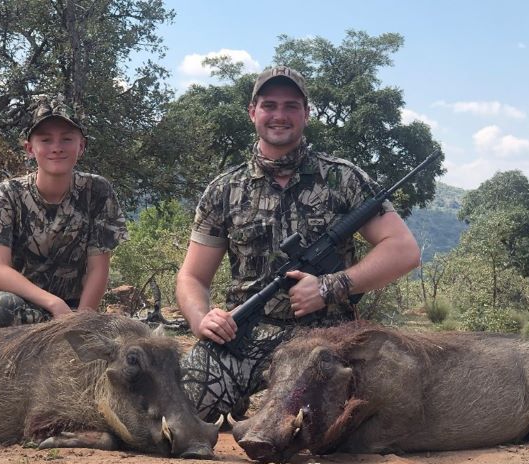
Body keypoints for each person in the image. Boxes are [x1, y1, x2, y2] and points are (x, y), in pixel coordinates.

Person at [176, 66, 421, 422]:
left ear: (306, 114)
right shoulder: (224, 189)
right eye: (269, 105)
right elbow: (191, 278)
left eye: (291, 106)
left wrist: (328, 287)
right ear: (252, 112)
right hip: (242, 338)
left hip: (326, 341)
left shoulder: (343, 178)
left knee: (311, 425)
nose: (279, 115)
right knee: (177, 411)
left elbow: (403, 250)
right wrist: (202, 320)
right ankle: (237, 401)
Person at [0, 95, 127, 327]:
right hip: (17, 304)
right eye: (45, 140)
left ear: (81, 146)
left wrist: (79, 322)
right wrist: (54, 305)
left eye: (66, 139)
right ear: (29, 148)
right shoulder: (8, 194)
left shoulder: (98, 191)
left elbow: (98, 268)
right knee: (0, 307)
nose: (56, 148)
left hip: (74, 309)